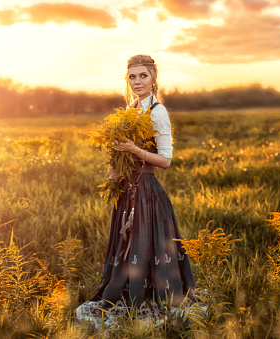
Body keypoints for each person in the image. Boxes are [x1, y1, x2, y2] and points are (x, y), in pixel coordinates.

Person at [75, 55, 199, 328]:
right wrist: (116, 169)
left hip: (146, 192)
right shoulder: (131, 109)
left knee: (146, 247)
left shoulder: (158, 112)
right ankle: (129, 293)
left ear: (154, 79)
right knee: (128, 248)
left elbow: (165, 161)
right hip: (126, 191)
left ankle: (153, 300)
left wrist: (135, 150)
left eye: (143, 75)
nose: (137, 81)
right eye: (132, 76)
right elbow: (124, 154)